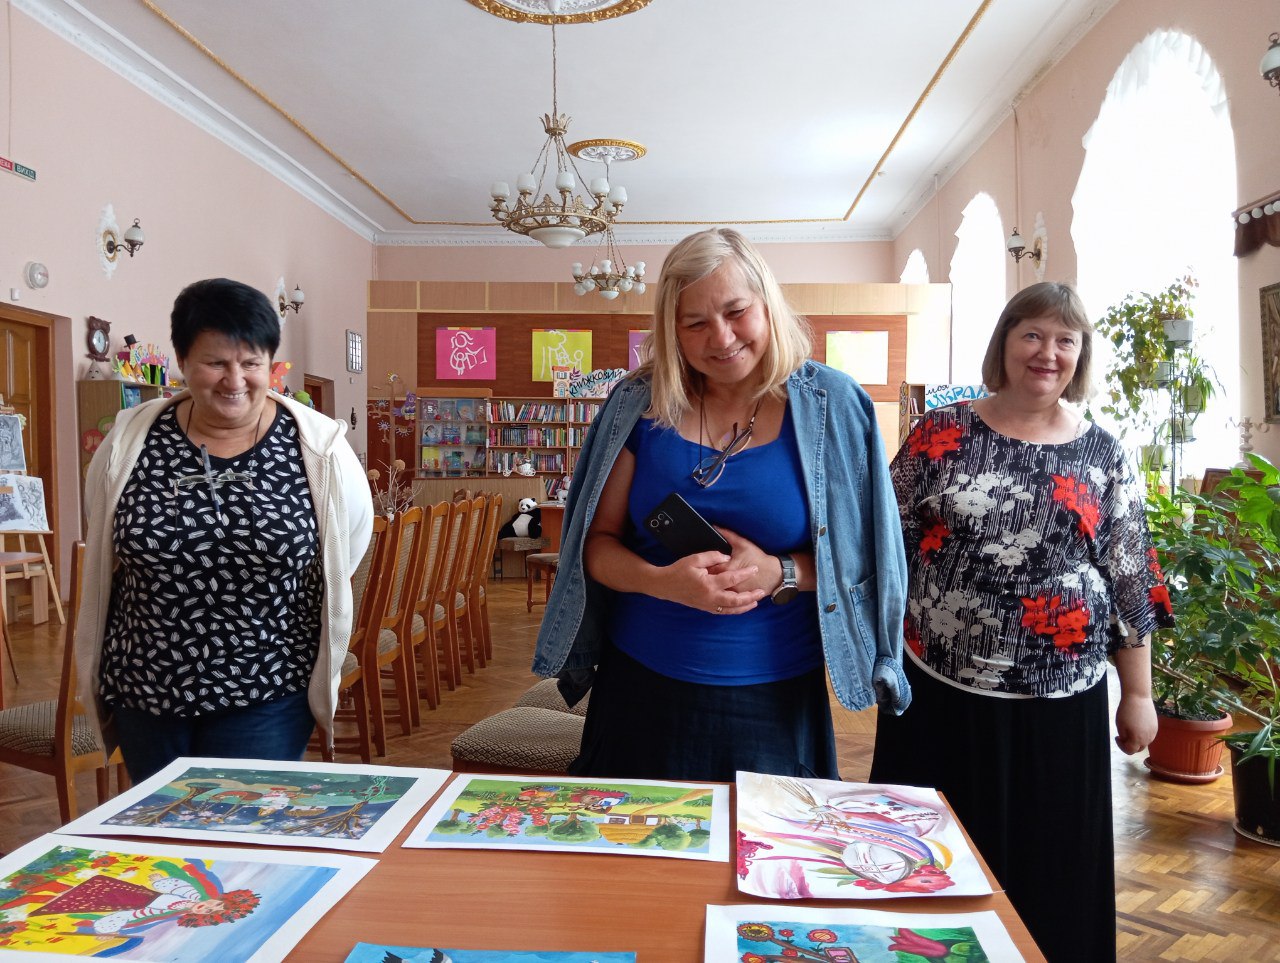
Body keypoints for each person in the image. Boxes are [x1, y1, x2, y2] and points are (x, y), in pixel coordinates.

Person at [533, 227, 909, 782]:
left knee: (763, 841)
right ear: (672, 330)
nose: (722, 337)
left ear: (767, 304)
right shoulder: (639, 405)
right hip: (640, 686)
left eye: (736, 311)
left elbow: (871, 560)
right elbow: (596, 546)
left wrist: (780, 571)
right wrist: (663, 582)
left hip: (777, 694)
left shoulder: (835, 405)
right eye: (695, 323)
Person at [868, 282, 1174, 963]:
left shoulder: (1103, 455)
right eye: (1032, 333)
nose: (1048, 352)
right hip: (938, 695)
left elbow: (1130, 576)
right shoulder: (940, 433)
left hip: (1058, 706)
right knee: (928, 866)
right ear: (1004, 341)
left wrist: (1140, 694)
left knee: (1053, 876)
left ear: (1080, 354)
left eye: (1066, 339)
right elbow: (882, 541)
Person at [77, 278, 373, 782]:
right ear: (182, 360)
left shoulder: (318, 447)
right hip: (146, 688)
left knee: (243, 818)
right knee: (162, 823)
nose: (234, 380)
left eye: (251, 363)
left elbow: (349, 539)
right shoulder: (130, 440)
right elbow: (106, 527)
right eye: (215, 362)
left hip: (268, 685)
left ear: (270, 363)